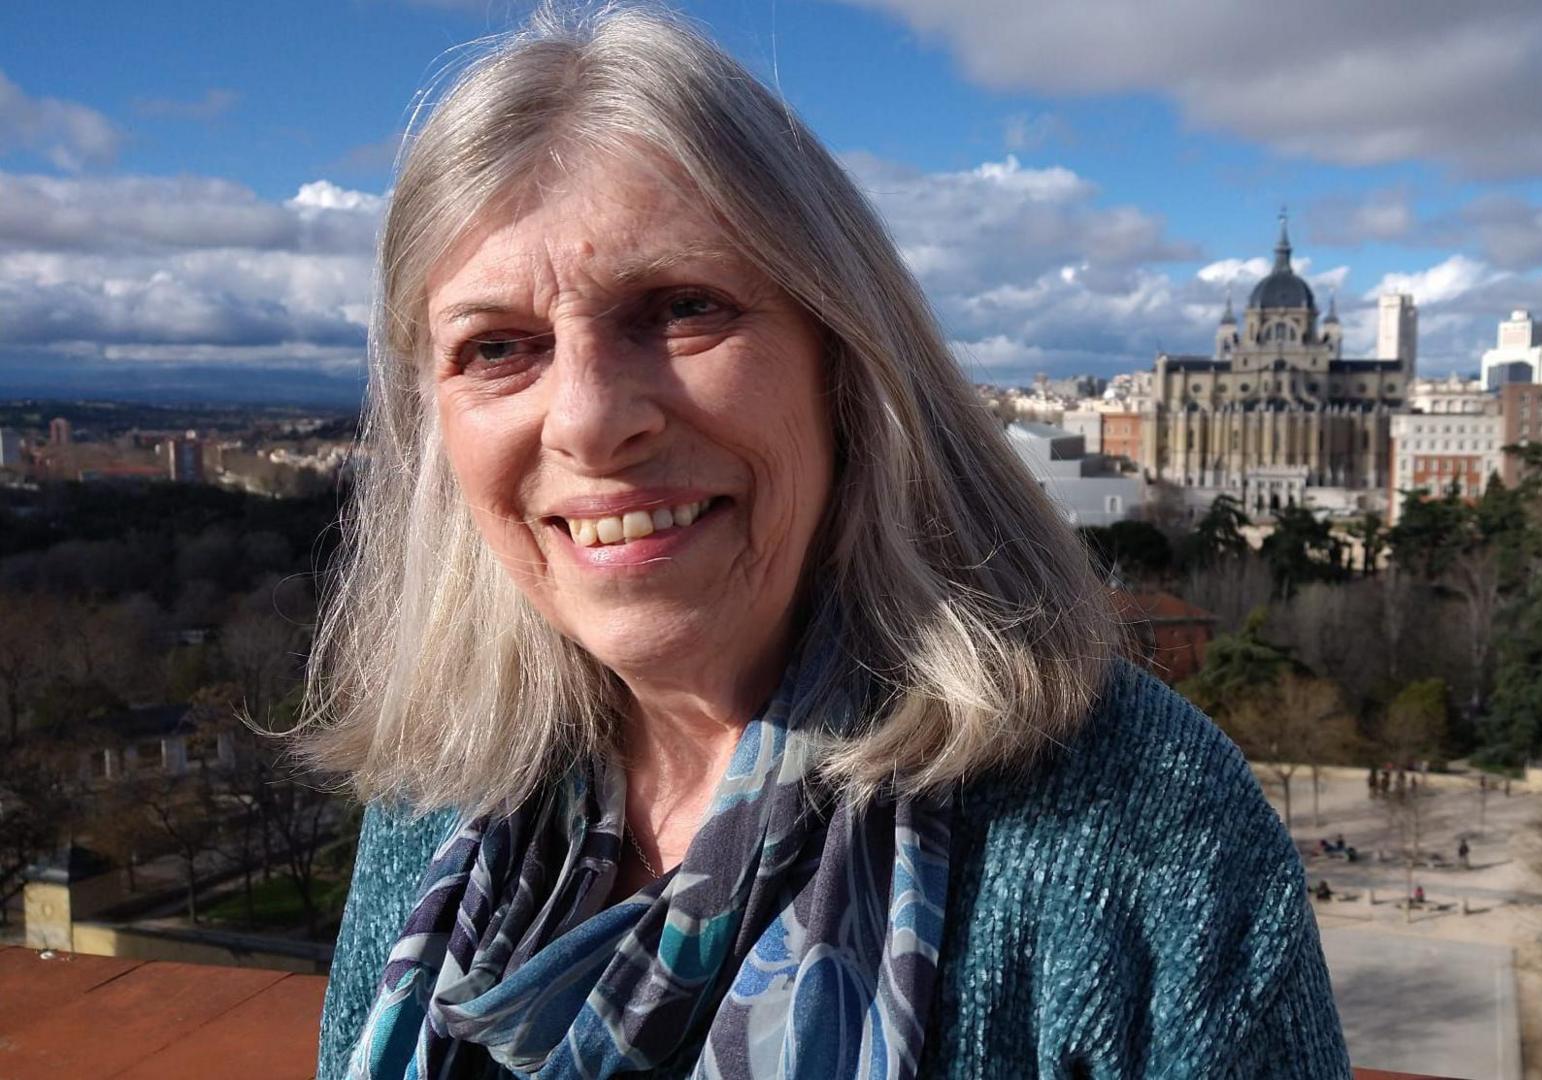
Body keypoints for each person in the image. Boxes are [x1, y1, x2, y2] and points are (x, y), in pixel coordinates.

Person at [304, 7, 1349, 1079]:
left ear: (843, 359)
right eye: (497, 348)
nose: (587, 418)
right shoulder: (436, 793)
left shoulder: (1137, 820)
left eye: (680, 306)